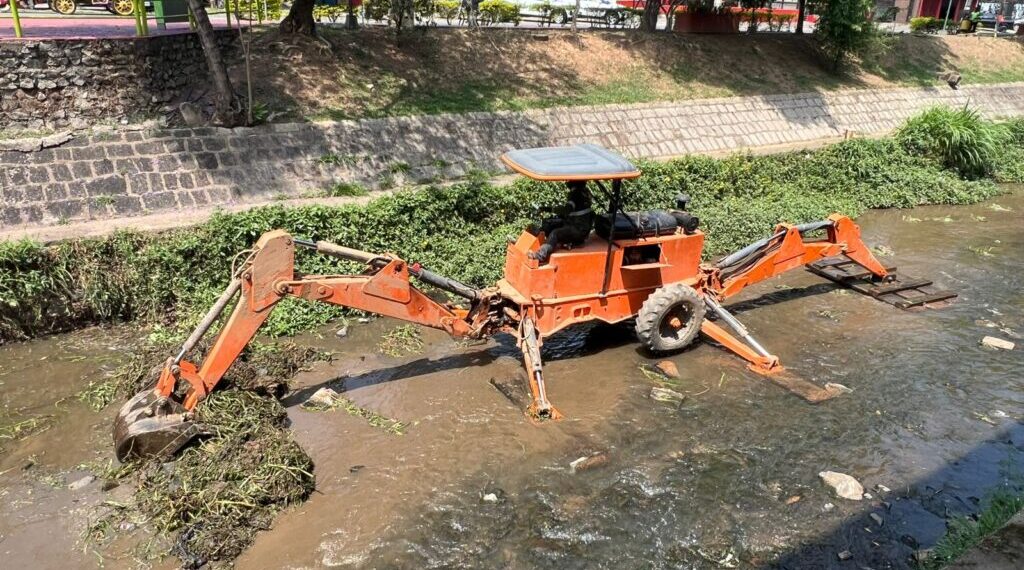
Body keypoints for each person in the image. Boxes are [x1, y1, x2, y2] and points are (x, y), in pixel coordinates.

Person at [527, 181, 595, 264]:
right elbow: (574, 212)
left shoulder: (575, 194)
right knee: (551, 224)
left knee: (555, 233)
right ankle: (535, 239)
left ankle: (540, 256)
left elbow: (567, 210)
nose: (567, 181)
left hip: (578, 229)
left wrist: (549, 209)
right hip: (581, 228)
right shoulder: (585, 192)